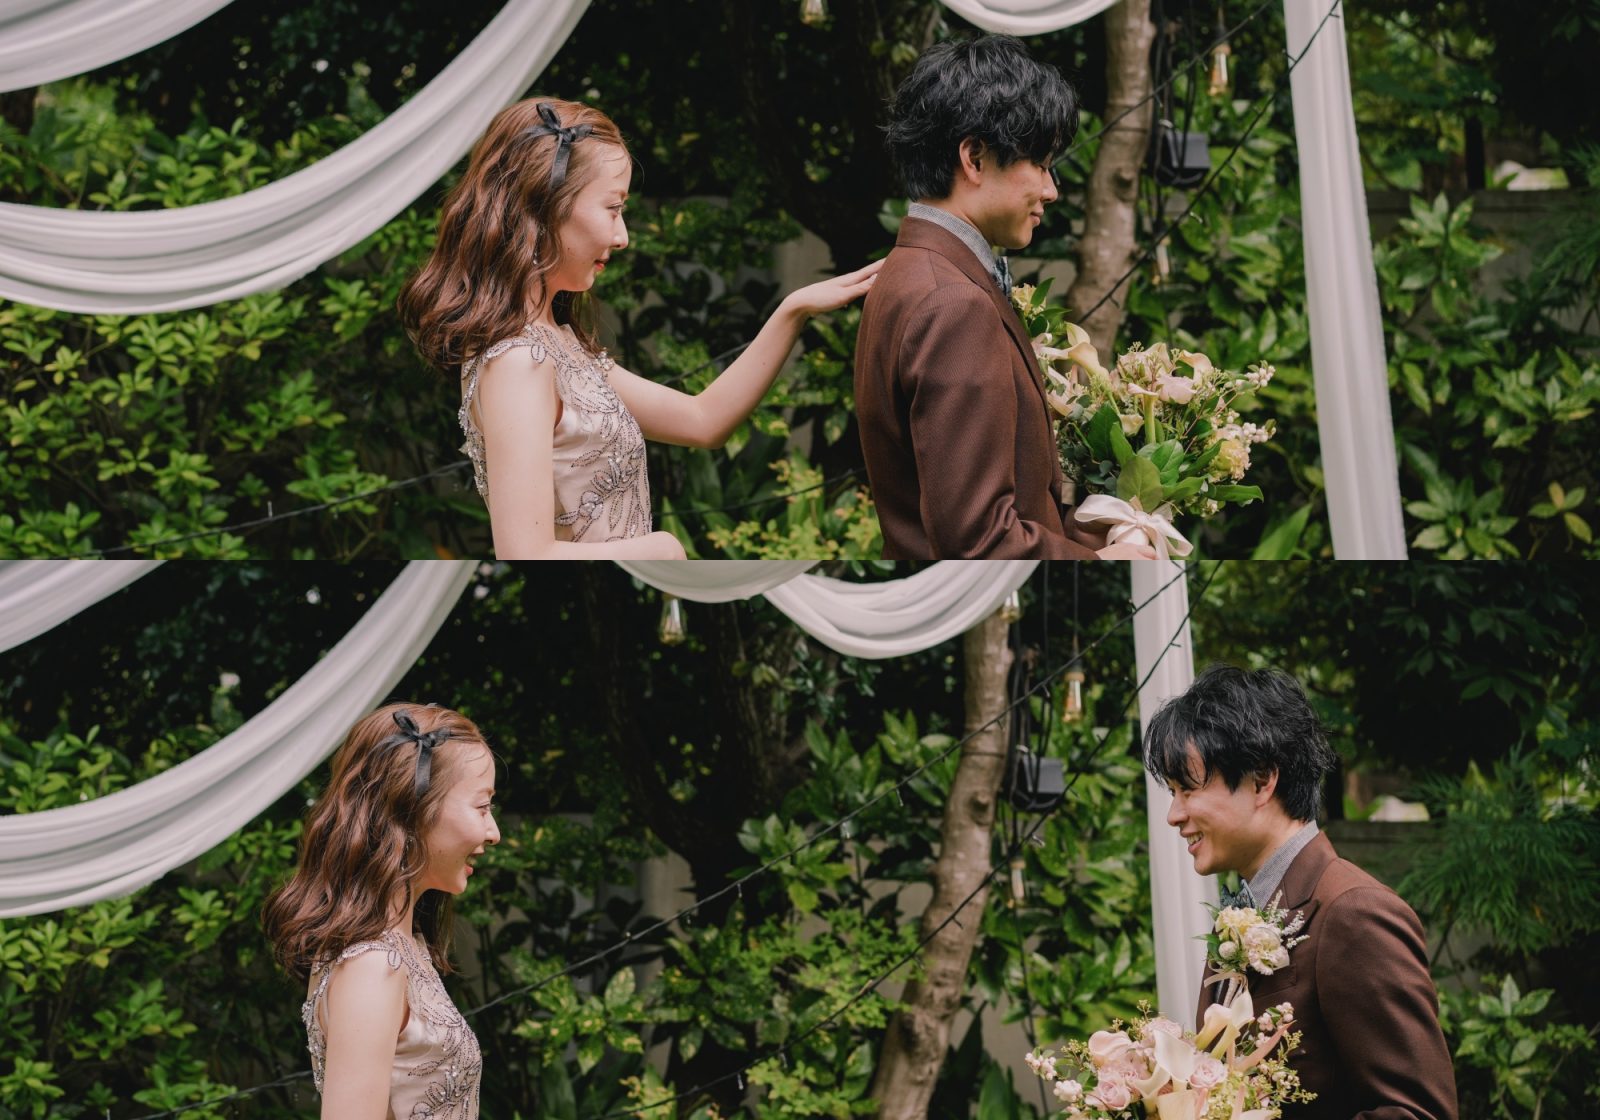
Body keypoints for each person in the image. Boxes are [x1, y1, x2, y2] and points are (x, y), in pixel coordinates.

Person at [399, 98, 880, 559]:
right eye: (613, 208)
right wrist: (660, 548)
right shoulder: (519, 361)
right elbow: (525, 552)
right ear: (545, 207)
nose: (623, 236)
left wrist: (794, 310)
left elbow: (703, 420)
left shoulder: (555, 342)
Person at [854, 35, 1148, 559]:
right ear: (974, 158)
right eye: (1041, 163)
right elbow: (977, 540)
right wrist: (1100, 562)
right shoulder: (952, 303)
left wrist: (1090, 532)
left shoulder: (910, 272)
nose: (1051, 189)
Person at [1144, 665, 1458, 1120]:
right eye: (1173, 793)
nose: (1174, 815)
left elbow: (1420, 1112)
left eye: (1187, 790)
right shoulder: (1240, 915)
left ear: (1261, 781)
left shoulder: (1354, 913)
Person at [262, 703, 501, 1120]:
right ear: (414, 808)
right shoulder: (373, 964)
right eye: (482, 807)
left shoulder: (401, 947)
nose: (493, 832)